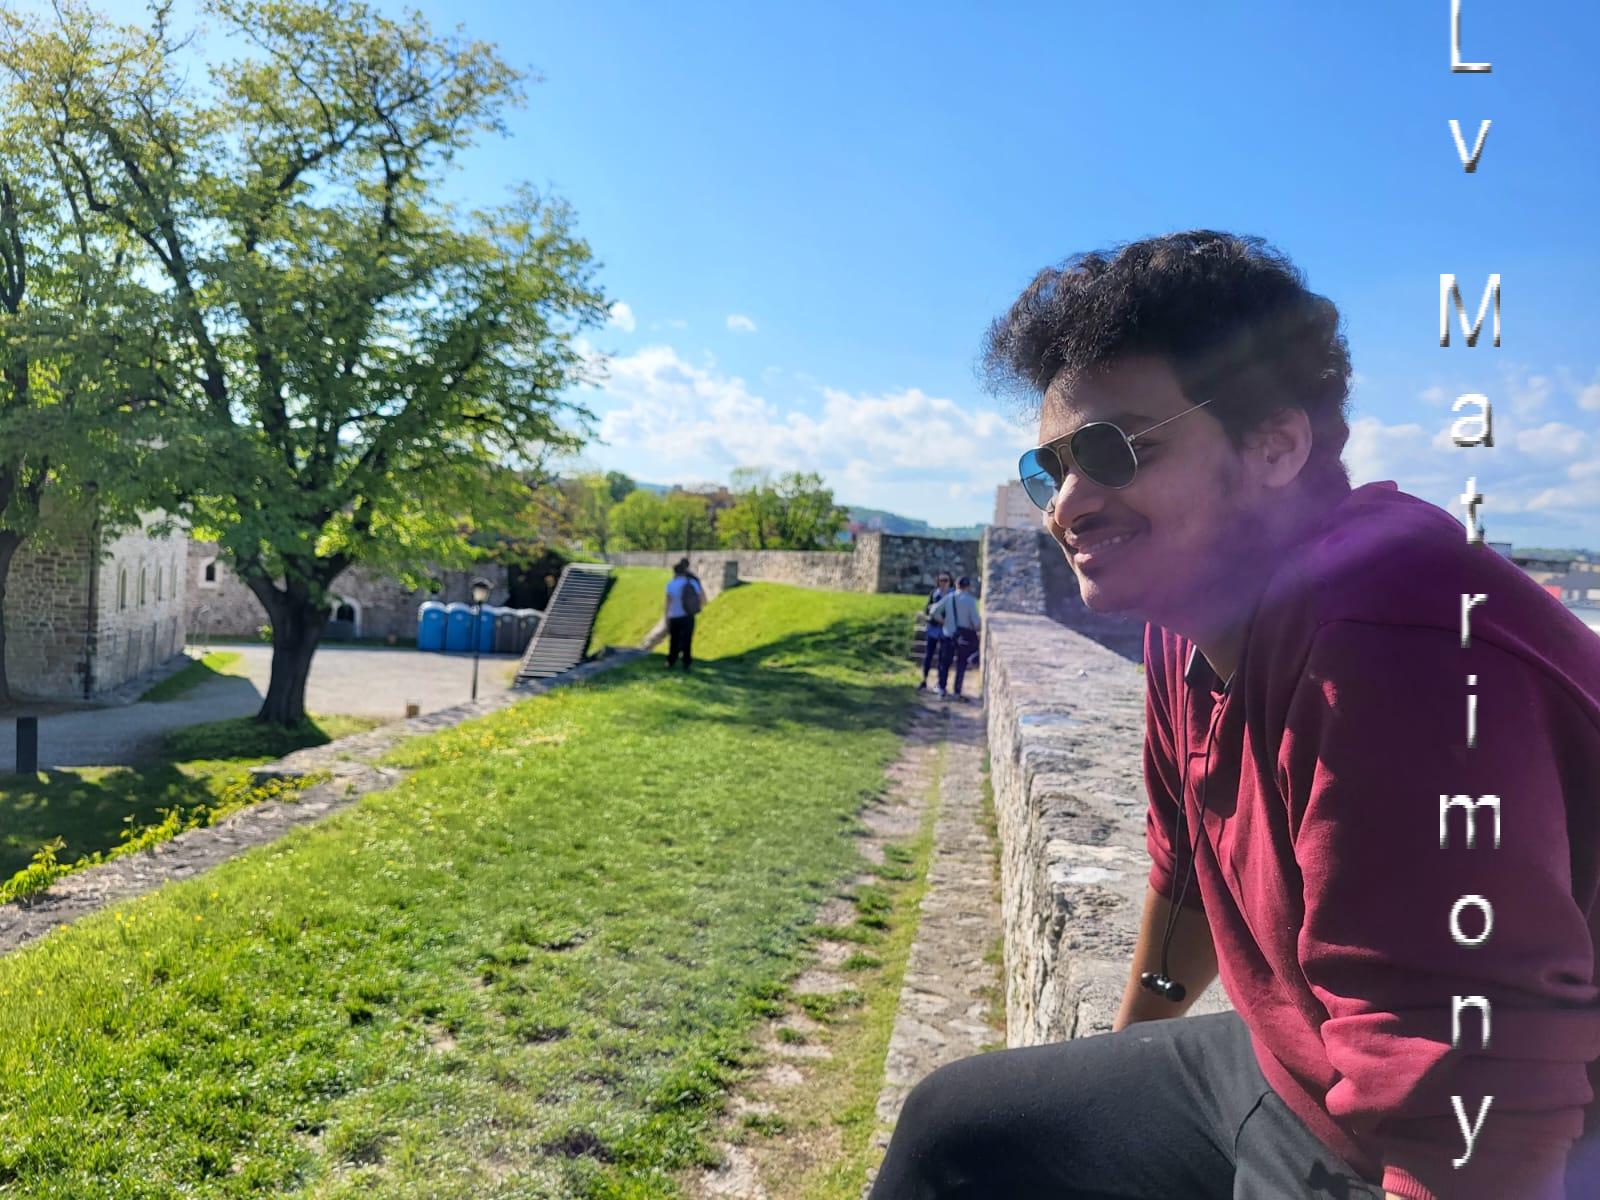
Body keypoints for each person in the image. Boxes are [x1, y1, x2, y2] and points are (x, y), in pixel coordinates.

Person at [868, 231, 1600, 1200]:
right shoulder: (1189, 618)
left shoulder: (1391, 642)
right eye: (1049, 470)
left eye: (1114, 451)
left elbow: (1479, 1123)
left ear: (1275, 446)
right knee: (954, 1133)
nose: (1068, 506)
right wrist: (1113, 1072)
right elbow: (1184, 878)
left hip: (1510, 1146)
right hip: (1296, 1074)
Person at [929, 576, 980, 701]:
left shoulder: (949, 598)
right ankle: (957, 691)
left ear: (957, 585)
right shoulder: (970, 601)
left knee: (945, 663)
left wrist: (944, 622)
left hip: (948, 634)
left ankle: (942, 688)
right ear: (968, 587)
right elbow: (976, 622)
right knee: (961, 664)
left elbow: (933, 612)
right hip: (964, 636)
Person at [663, 558, 704, 671]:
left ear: (675, 572)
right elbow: (701, 598)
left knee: (674, 640)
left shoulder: (671, 585)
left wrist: (666, 617)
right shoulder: (692, 583)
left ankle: (671, 661)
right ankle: (686, 663)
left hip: (674, 616)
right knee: (687, 640)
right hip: (688, 616)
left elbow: (668, 603)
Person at [918, 572, 955, 691]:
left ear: (950, 582)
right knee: (928, 655)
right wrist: (932, 611)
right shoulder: (934, 594)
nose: (943, 583)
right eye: (941, 580)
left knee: (944, 658)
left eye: (946, 580)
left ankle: (941, 684)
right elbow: (927, 609)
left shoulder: (953, 595)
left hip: (946, 630)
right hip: (933, 629)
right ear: (938, 582)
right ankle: (924, 680)